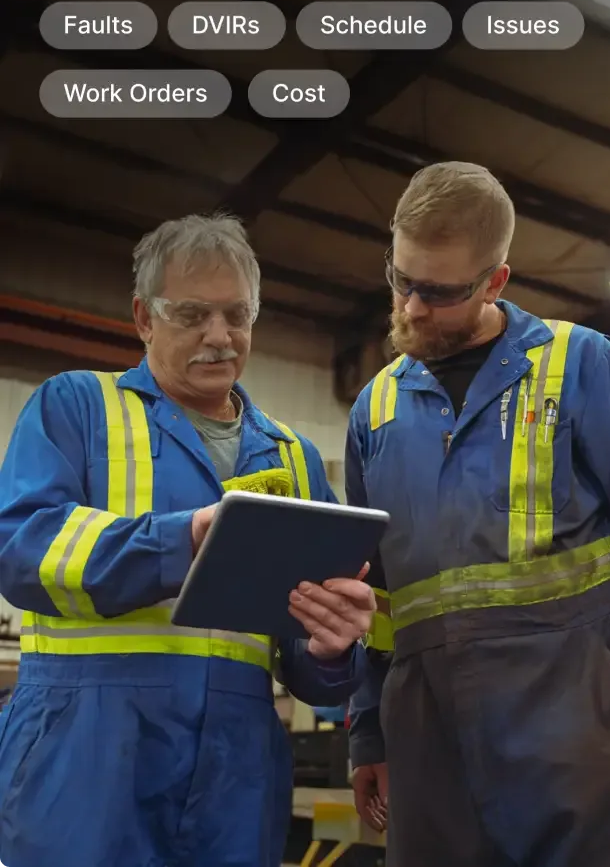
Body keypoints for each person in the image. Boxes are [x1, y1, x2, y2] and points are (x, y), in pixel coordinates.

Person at [0, 213, 376, 867]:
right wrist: (182, 540)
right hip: (84, 761)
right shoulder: (77, 409)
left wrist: (331, 648)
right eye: (193, 314)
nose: (220, 336)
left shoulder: (295, 457)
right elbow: (22, 548)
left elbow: (306, 666)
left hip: (235, 778)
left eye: (237, 315)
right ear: (144, 318)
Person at [345, 162, 610, 867]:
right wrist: (368, 731)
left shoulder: (582, 367)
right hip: (431, 755)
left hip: (582, 746)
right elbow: (372, 598)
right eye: (401, 279)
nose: (412, 308)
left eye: (440, 292)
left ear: (495, 281)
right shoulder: (374, 412)